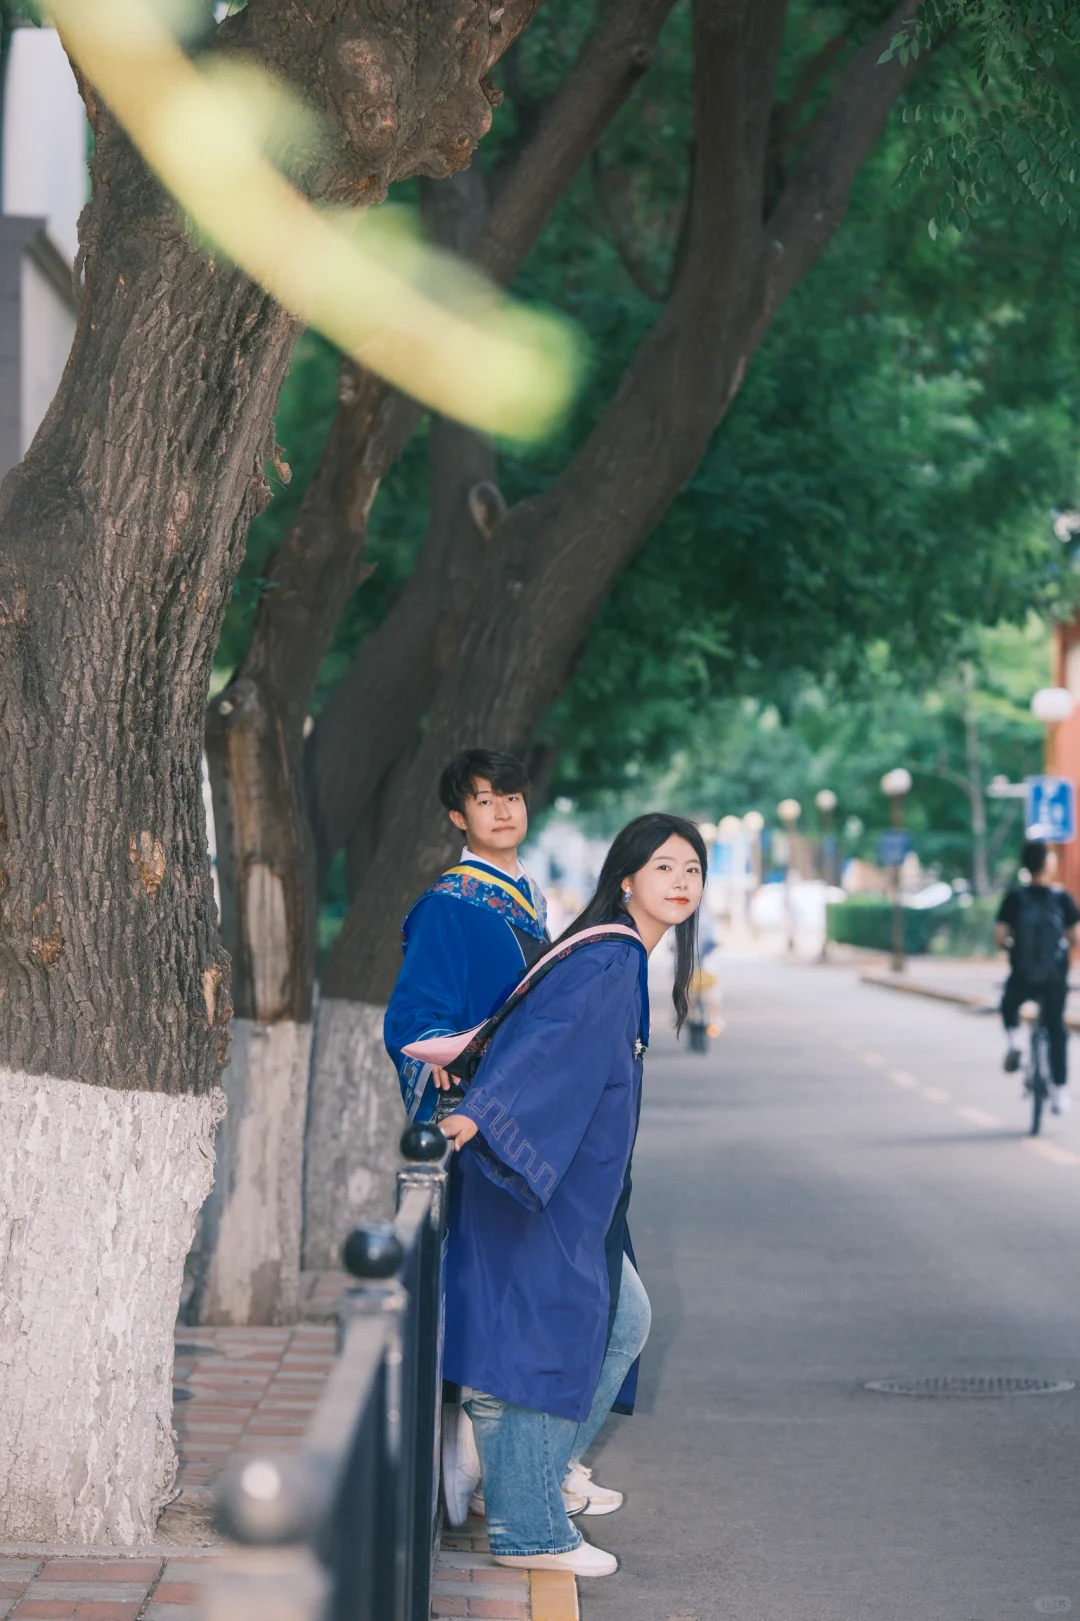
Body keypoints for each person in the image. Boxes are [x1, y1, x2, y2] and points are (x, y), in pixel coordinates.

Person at [438, 813, 707, 1577]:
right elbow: (544, 1045)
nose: (681, 882)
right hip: (536, 1178)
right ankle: (529, 1528)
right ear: (626, 878)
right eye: (664, 867)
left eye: (692, 869)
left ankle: (518, 1477)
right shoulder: (608, 960)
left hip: (572, 1186)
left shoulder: (621, 954)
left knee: (621, 1319)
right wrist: (482, 1116)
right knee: (537, 1346)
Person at [384, 748, 550, 1125]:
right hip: (486, 1101)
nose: (504, 812)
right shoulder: (448, 903)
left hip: (538, 1088)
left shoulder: (530, 898)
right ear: (459, 816)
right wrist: (437, 1048)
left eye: (512, 798)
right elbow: (415, 1008)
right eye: (486, 801)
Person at [995, 839, 1080, 1113]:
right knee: (1056, 1030)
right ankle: (1059, 1093)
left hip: (1022, 975)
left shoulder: (1015, 897)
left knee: (1009, 1003)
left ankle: (1015, 1040)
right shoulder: (1062, 897)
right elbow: (1075, 937)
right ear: (1047, 864)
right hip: (1054, 979)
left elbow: (999, 937)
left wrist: (1013, 947)